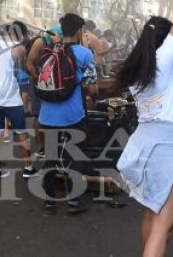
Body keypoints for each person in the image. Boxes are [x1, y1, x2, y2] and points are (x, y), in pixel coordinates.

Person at [116, 0, 173, 257]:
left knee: (152, 215)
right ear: (165, 41)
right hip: (167, 149)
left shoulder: (139, 68)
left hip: (145, 145)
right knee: (162, 226)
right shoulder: (162, 62)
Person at [38, 13, 97, 215]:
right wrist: (92, 96)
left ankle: (49, 203)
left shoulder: (50, 51)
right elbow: (91, 87)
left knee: (50, 158)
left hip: (47, 114)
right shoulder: (84, 54)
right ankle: (74, 201)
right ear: (79, 31)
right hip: (72, 116)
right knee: (75, 157)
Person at [0, 23, 36, 180]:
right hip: (11, 97)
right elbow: (25, 58)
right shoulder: (17, 47)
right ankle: (28, 167)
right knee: (21, 131)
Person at [26, 26, 63, 157]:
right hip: (38, 82)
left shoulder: (60, 44)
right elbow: (29, 64)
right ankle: (40, 146)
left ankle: (54, 144)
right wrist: (38, 80)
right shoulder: (40, 42)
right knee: (39, 115)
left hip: (52, 83)